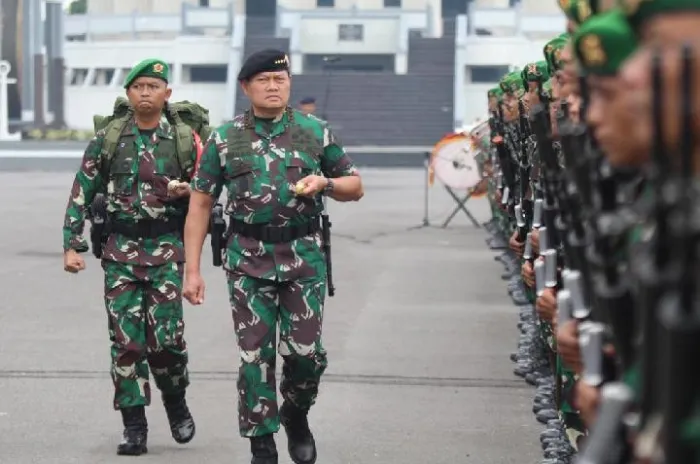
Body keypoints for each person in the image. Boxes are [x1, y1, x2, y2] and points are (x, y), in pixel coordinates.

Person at [182, 49, 364, 464]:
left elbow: (355, 184)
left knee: (305, 355)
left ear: (289, 84)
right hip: (248, 260)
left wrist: (326, 183)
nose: (272, 86)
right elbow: (201, 204)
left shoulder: (311, 131)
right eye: (262, 80)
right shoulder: (227, 138)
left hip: (304, 260)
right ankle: (261, 444)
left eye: (279, 80)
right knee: (254, 357)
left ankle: (296, 414)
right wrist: (191, 270)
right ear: (246, 87)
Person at [61, 58, 198, 456]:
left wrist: (187, 192)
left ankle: (175, 401)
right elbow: (82, 189)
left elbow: (206, 192)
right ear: (128, 94)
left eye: (152, 86)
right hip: (120, 254)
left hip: (166, 253)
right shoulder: (109, 138)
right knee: (126, 343)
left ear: (166, 94)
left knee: (166, 342)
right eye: (137, 87)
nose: (144, 93)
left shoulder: (184, 139)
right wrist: (72, 244)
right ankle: (134, 424)